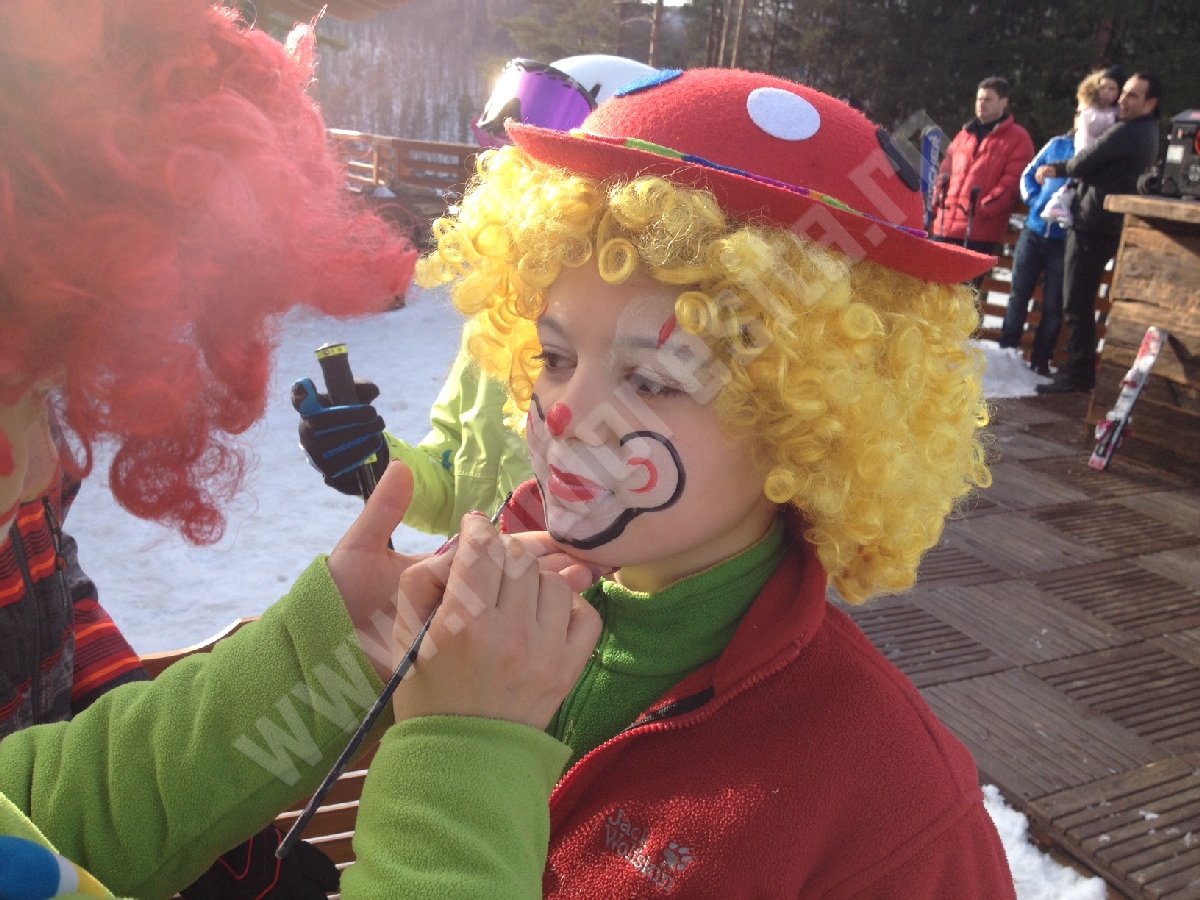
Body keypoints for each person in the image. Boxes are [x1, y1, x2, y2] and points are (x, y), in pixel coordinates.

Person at [403, 67, 1018, 897]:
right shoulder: (482, 606)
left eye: (653, 380)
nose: (566, 413)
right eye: (554, 356)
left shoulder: (895, 808)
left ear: (811, 420)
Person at [294, 55, 658, 536]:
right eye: (518, 179)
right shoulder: (500, 320)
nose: (526, 203)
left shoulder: (660, 362)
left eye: (555, 185)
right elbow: (455, 489)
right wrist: (377, 459)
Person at [1036, 72, 1163, 394]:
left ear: (1150, 103)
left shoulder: (1128, 131)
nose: (1123, 100)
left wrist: (1055, 168)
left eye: (1133, 95)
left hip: (1093, 225)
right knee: (1080, 299)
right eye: (1124, 93)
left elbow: (1083, 161)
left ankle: (1079, 372)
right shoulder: (1148, 131)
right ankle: (1078, 368)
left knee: (1076, 301)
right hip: (1106, 223)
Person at [932, 76, 1035, 281]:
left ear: (1003, 102)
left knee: (965, 290)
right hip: (945, 225)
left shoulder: (1017, 138)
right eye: (979, 99)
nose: (981, 104)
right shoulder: (965, 134)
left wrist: (985, 207)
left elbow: (1012, 181)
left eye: (988, 99)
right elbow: (946, 171)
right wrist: (938, 200)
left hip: (978, 230)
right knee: (932, 286)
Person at [996, 127, 1075, 375]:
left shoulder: (1094, 154)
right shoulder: (1058, 144)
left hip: (1064, 239)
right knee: (1019, 293)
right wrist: (1035, 201)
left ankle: (1041, 361)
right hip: (1033, 230)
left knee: (1053, 305)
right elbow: (1028, 174)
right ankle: (1006, 350)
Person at [1041, 67, 1125, 228]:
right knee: (1076, 180)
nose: (1106, 92)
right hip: (1086, 149)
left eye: (1112, 89)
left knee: (1078, 183)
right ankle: (1059, 205)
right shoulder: (1091, 110)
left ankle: (1062, 205)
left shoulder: (1116, 112)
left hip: (1096, 157)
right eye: (1103, 87)